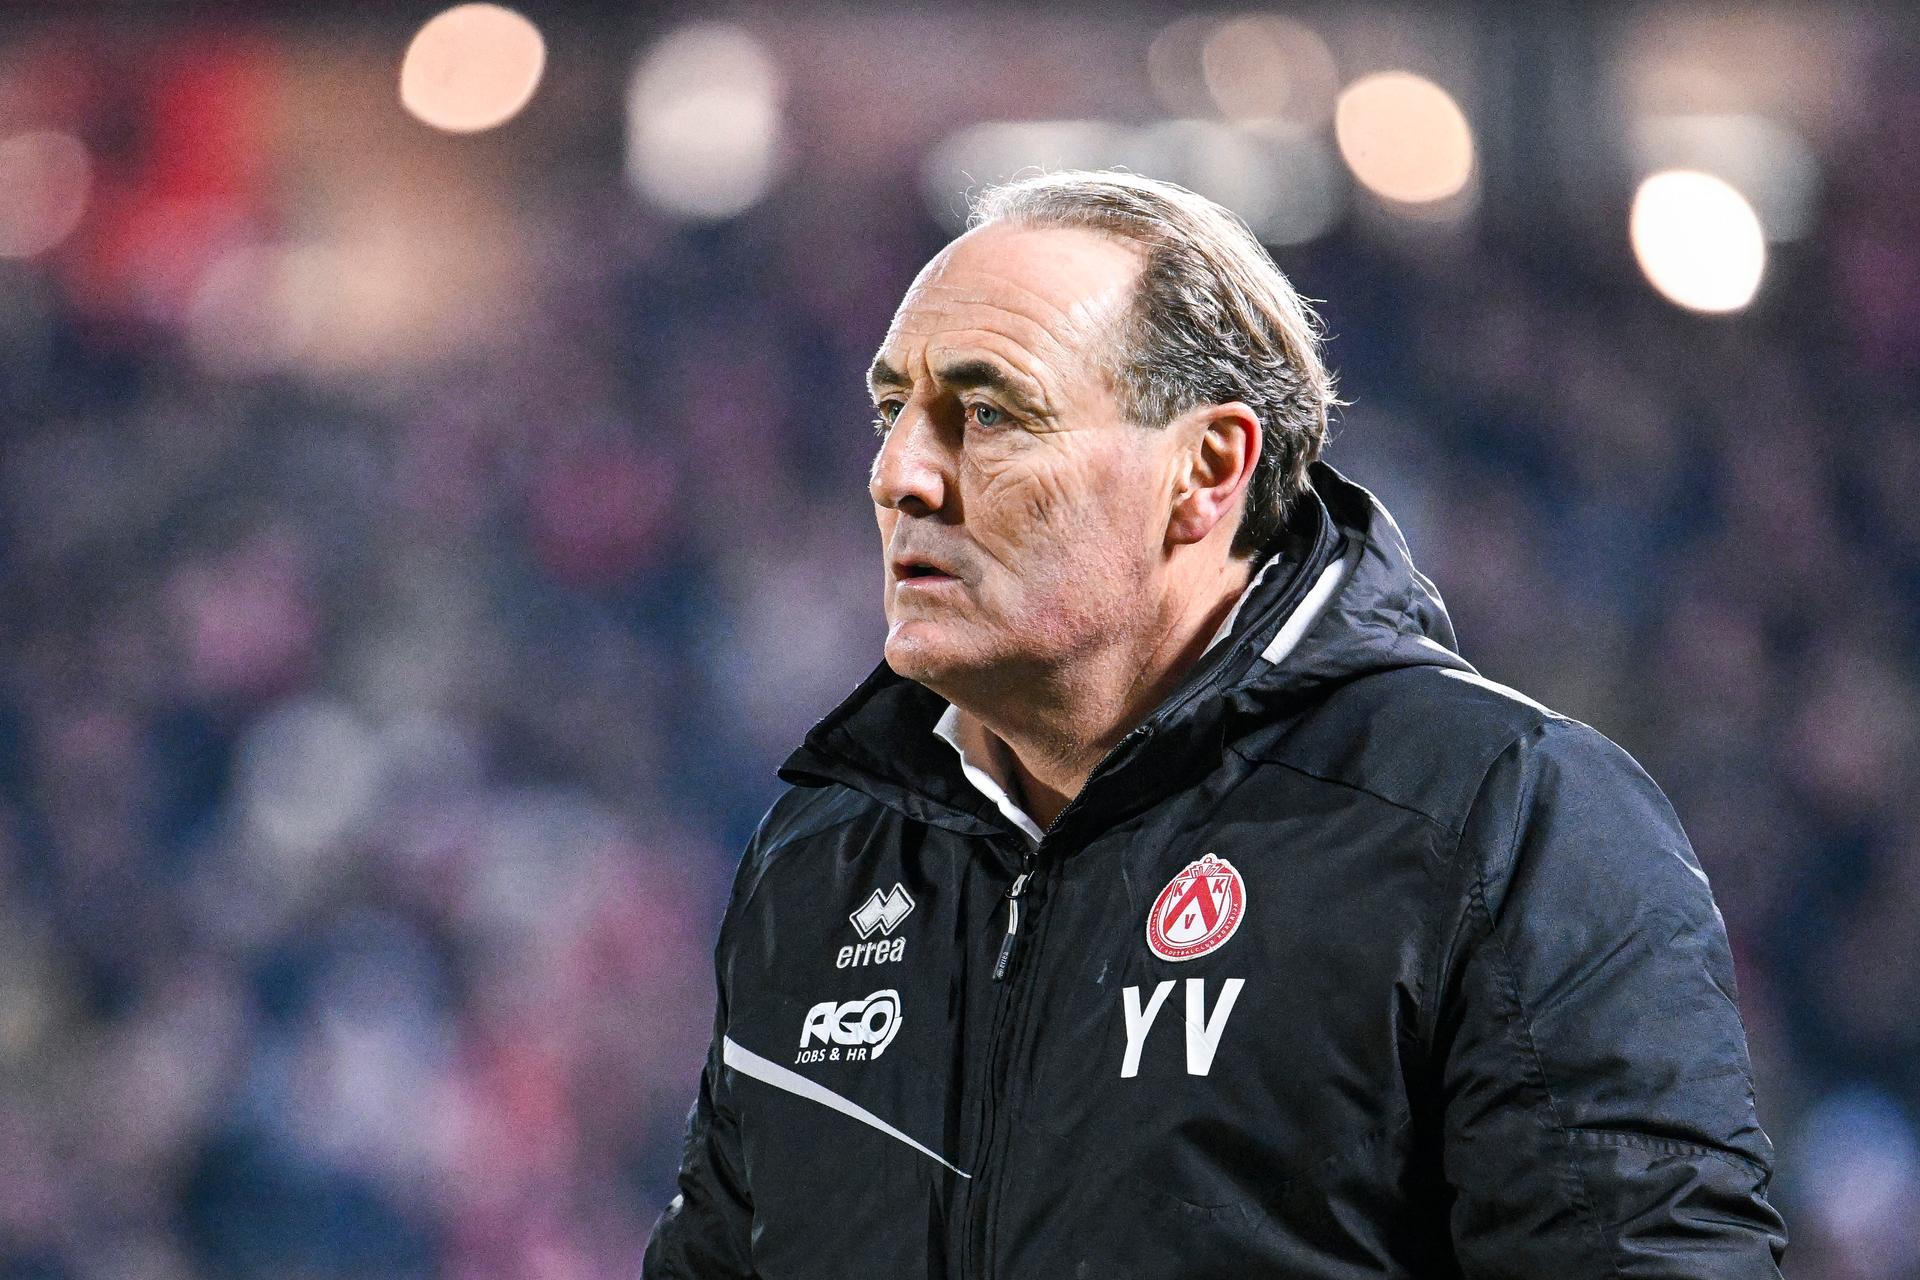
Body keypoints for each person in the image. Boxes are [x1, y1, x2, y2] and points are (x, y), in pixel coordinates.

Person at [642, 170, 1787, 1278]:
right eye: (895, 410)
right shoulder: (822, 857)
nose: (902, 475)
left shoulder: (1497, 817)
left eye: (988, 412)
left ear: (1206, 468)